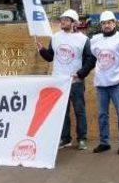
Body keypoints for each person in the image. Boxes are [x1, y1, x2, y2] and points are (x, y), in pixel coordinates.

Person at [37, 9, 94, 150]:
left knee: (79, 110)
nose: (62, 22)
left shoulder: (83, 39)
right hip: (58, 82)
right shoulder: (55, 37)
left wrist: (80, 74)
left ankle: (82, 138)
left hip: (75, 82)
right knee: (62, 111)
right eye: (62, 19)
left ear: (73, 23)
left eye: (66, 20)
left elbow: (91, 59)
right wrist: (42, 51)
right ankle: (65, 138)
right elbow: (50, 56)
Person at [90, 11, 119, 155]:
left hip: (117, 83)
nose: (107, 25)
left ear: (114, 23)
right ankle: (104, 142)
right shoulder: (95, 40)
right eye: (104, 23)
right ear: (101, 25)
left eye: (109, 22)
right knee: (102, 115)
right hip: (101, 84)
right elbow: (91, 59)